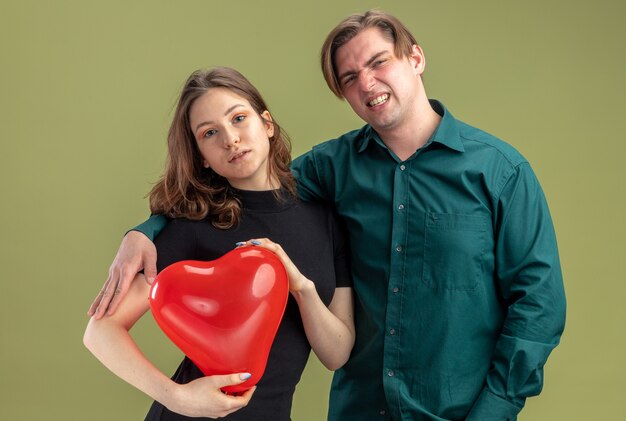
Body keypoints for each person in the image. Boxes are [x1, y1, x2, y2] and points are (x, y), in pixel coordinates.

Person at [89, 10, 566, 421]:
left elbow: (538, 309)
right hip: (360, 409)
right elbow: (249, 185)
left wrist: (492, 412)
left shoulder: (499, 172)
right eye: (350, 78)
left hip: (458, 411)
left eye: (379, 62)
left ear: (415, 59)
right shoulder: (331, 170)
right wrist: (144, 230)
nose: (368, 83)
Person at [83, 67, 355, 421]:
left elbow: (337, 354)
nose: (231, 139)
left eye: (239, 118)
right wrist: (178, 398)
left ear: (267, 124)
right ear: (201, 157)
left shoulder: (326, 219)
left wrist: (300, 286)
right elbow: (99, 332)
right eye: (210, 133)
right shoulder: (193, 226)